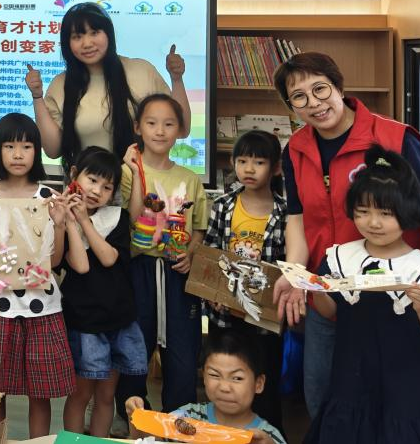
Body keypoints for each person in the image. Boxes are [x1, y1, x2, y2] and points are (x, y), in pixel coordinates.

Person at [271, 51, 420, 420]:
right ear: (290, 106)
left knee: (395, 406)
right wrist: (296, 272)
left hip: (394, 302)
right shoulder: (295, 149)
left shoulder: (394, 137)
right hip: (329, 295)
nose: (313, 102)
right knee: (323, 398)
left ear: (339, 87)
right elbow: (297, 219)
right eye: (299, 96)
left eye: (320, 89)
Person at [304, 145, 420, 443]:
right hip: (351, 384)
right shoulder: (340, 258)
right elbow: (330, 312)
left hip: (407, 392)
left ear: (406, 214)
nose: (373, 223)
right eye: (363, 212)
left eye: (385, 213)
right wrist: (318, 289)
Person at [0, 113, 74, 438]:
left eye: (26, 146)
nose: (17, 154)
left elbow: (54, 260)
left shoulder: (47, 197)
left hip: (41, 309)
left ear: (36, 151)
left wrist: (59, 224)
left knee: (39, 393)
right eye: (9, 146)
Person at [118, 93, 206, 412]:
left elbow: (199, 228)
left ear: (180, 130)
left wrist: (191, 253)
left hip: (177, 274)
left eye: (169, 124)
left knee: (182, 354)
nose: (159, 131)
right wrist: (135, 171)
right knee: (134, 348)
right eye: (151, 123)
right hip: (138, 271)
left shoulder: (189, 179)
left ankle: (179, 420)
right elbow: (130, 218)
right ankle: (132, 418)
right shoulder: (126, 172)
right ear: (137, 127)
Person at [28, 2, 190, 169]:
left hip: (141, 181)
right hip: (87, 182)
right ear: (67, 43)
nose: (87, 43)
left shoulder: (142, 71)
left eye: (94, 33)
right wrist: (37, 96)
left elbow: (182, 129)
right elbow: (53, 150)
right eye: (77, 37)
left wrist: (176, 79)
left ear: (108, 34)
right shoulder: (60, 85)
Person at [203, 130, 287, 430]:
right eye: (242, 161)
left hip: (263, 320)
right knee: (227, 379)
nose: (249, 169)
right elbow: (211, 251)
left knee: (263, 382)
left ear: (276, 168)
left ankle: (265, 435)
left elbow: (286, 264)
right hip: (225, 313)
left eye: (259, 162)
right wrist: (214, 292)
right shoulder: (224, 205)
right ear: (232, 162)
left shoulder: (284, 212)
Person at [59, 146, 145, 437]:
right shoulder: (60, 218)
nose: (97, 191)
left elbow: (108, 258)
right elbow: (80, 265)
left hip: (117, 318)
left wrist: (85, 221)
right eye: (92, 180)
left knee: (107, 396)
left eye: (107, 187)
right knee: (80, 394)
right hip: (84, 321)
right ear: (75, 175)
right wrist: (71, 221)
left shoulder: (117, 218)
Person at [124, 329, 286, 444]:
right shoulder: (188, 416)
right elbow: (147, 441)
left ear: (258, 384)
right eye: (215, 375)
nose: (224, 387)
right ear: (204, 376)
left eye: (237, 378)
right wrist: (136, 417)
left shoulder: (266, 437)